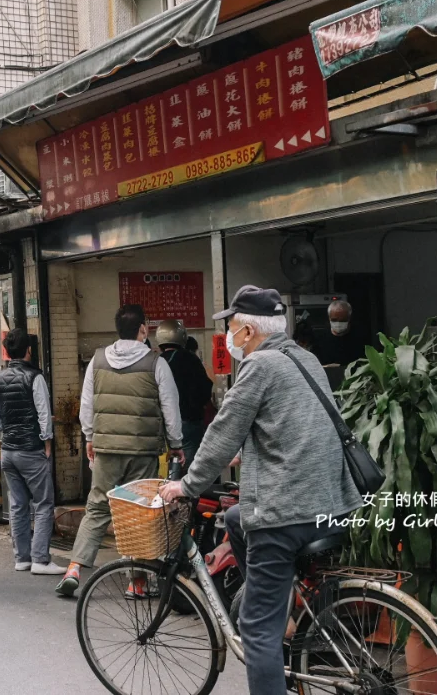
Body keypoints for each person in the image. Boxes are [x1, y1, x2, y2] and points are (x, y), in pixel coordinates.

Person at [158, 285, 362, 695]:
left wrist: (186, 485)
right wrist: (246, 453)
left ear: (248, 331)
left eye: (231, 327)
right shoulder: (305, 360)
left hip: (286, 513)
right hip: (331, 504)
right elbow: (298, 427)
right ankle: (279, 603)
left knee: (256, 629)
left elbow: (220, 433)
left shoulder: (260, 366)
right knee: (235, 518)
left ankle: (270, 615)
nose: (230, 336)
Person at [56, 304, 184, 597]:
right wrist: (176, 444)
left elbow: (86, 404)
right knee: (139, 513)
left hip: (106, 449)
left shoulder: (98, 360)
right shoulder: (157, 363)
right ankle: (137, 582)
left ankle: (74, 568)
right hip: (142, 450)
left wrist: (90, 436)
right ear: (143, 329)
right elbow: (170, 408)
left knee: (98, 507)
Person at [0, 329, 65, 576]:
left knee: (18, 505)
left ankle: (22, 558)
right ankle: (40, 559)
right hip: (31, 449)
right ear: (28, 351)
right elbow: (43, 413)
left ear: (8, 352)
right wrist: (47, 440)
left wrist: (9, 428)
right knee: (43, 503)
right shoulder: (35, 377)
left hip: (8, 451)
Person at [156, 319, 214, 466]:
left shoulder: (155, 362)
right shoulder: (191, 360)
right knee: (188, 469)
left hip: (159, 426)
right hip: (188, 422)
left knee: (161, 469)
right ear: (182, 337)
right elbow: (204, 391)